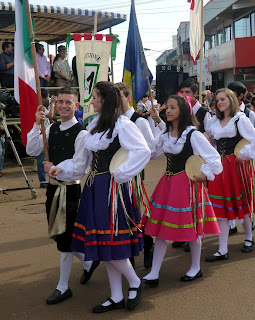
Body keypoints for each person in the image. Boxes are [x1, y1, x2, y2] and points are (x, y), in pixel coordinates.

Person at [50, 81, 151, 313]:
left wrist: (122, 173)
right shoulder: (95, 125)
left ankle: (135, 282)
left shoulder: (122, 125)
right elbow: (82, 163)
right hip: (95, 187)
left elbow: (143, 151)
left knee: (110, 242)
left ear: (104, 100)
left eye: (94, 97)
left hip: (112, 189)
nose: (91, 101)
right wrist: (61, 169)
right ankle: (116, 295)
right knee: (104, 244)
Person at [142, 94, 222, 286]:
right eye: (167, 107)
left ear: (183, 111)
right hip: (167, 185)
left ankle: (195, 267)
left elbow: (214, 158)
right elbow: (153, 153)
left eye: (172, 107)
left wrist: (204, 174)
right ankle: (154, 272)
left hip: (187, 186)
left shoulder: (192, 134)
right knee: (160, 228)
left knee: (193, 228)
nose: (167, 110)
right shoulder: (166, 135)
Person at [26, 87, 96, 305]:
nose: (64, 106)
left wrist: (55, 168)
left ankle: (63, 286)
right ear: (55, 105)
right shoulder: (51, 128)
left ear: (76, 106)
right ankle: (88, 262)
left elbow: (79, 168)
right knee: (60, 235)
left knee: (65, 239)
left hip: (70, 191)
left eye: (69, 102)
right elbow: (31, 150)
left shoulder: (82, 134)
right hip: (53, 189)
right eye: (61, 102)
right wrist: (38, 125)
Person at [115, 82, 165, 269]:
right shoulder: (113, 120)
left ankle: (146, 245)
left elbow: (150, 149)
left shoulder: (139, 121)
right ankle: (127, 252)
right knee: (120, 214)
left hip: (133, 176)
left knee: (133, 214)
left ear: (128, 98)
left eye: (119, 96)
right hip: (115, 175)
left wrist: (131, 158)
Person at [205, 88, 255, 262]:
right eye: (217, 100)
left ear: (231, 99)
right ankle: (222, 249)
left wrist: (245, 154)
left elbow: (254, 139)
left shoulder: (240, 119)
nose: (219, 102)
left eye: (223, 99)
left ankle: (248, 237)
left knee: (242, 203)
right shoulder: (213, 122)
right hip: (219, 166)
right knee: (220, 209)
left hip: (236, 165)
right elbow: (209, 139)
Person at [35, 89, 56, 188]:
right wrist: (52, 104)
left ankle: (44, 180)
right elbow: (51, 115)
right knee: (41, 159)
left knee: (45, 158)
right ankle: (43, 181)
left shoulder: (43, 106)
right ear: (42, 98)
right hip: (40, 134)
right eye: (47, 97)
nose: (48, 99)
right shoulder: (41, 107)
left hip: (44, 133)